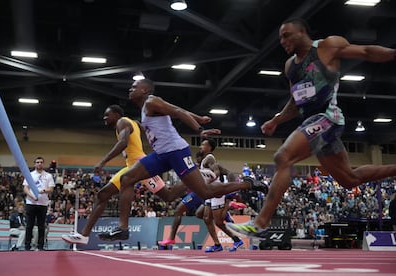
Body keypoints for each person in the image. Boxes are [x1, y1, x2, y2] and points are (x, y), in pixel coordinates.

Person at [227, 18, 396, 238]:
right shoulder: (290, 66)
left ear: (302, 32)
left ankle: (261, 222)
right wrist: (277, 120)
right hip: (313, 124)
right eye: (280, 37)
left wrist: (393, 53)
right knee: (349, 180)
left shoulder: (327, 47)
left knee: (283, 157)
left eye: (287, 35)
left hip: (328, 117)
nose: (282, 40)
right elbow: (296, 102)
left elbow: (365, 51)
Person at [99, 78, 266, 241]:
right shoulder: (145, 109)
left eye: (134, 87)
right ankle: (122, 229)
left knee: (205, 192)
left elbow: (177, 113)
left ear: (145, 90)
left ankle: (247, 184)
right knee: (127, 178)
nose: (130, 89)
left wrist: (199, 129)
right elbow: (176, 108)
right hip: (161, 155)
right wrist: (198, 118)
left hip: (177, 152)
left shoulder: (151, 101)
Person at [62, 105, 188, 244]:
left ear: (116, 115)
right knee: (102, 194)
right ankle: (84, 235)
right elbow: (143, 130)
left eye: (107, 115)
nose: (104, 118)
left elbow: (123, 143)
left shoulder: (122, 121)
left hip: (142, 165)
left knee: (168, 196)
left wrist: (103, 162)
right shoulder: (131, 122)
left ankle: (192, 178)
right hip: (130, 166)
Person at [23, 156, 55, 250]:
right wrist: (32, 196)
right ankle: (27, 246)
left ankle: (40, 246)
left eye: (41, 162)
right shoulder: (30, 174)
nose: (39, 164)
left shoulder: (48, 176)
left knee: (41, 226)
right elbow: (25, 188)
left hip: (43, 203)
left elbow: (51, 189)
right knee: (29, 225)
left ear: (43, 164)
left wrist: (44, 190)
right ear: (35, 164)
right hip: (31, 203)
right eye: (37, 162)